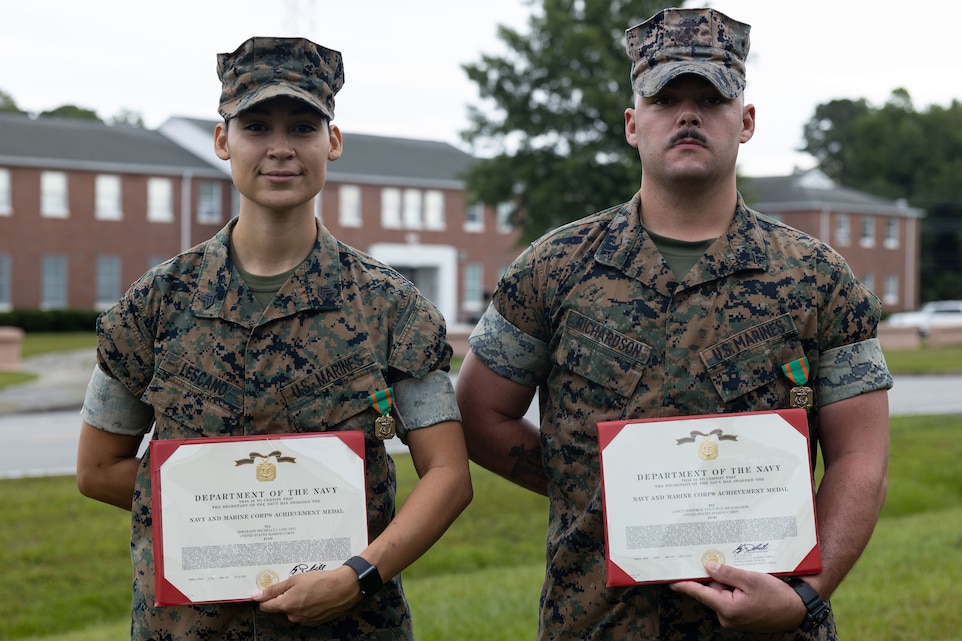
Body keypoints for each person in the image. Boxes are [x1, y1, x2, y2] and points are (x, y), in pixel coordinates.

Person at [455, 7, 891, 640]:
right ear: (634, 124)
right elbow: (476, 413)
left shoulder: (818, 278)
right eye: (666, 98)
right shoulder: (555, 268)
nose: (688, 114)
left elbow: (861, 458)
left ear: (745, 123)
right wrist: (599, 488)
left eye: (710, 98)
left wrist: (803, 598)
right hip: (597, 624)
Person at [76, 36, 472, 640]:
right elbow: (97, 467)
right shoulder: (154, 304)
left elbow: (447, 474)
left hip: (352, 623)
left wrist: (358, 573)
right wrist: (213, 506)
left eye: (304, 127)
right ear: (222, 141)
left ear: (332, 142)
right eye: (256, 125)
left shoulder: (392, 308)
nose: (280, 149)